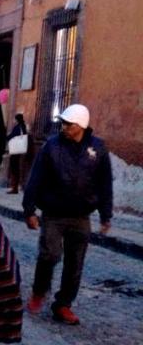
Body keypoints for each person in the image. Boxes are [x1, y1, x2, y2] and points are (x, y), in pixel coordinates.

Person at [23, 103, 112, 325]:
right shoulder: (51, 147)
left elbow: (104, 184)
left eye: (68, 124)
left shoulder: (98, 149)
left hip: (81, 216)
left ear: (80, 126)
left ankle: (63, 304)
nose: (63, 127)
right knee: (49, 255)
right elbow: (36, 177)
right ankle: (39, 291)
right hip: (53, 214)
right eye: (62, 123)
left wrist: (105, 215)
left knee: (75, 263)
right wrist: (29, 210)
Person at [6, 113, 28, 193]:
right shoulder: (23, 126)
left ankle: (14, 188)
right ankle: (15, 187)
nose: (14, 120)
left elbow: (12, 136)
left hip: (15, 150)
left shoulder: (17, 127)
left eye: (15, 119)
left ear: (17, 119)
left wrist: (7, 137)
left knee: (14, 168)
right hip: (20, 150)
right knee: (17, 168)